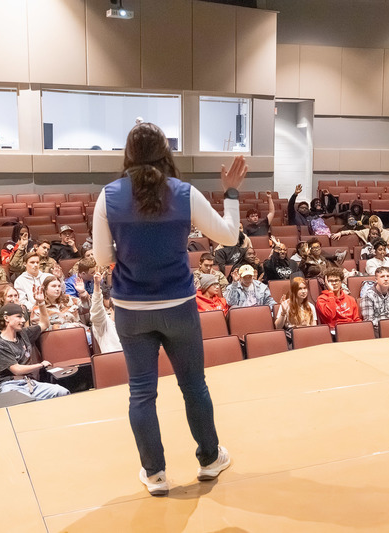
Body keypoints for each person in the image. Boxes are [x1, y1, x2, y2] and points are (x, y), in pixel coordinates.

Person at [93, 122, 243, 496]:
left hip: (131, 310)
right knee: (193, 385)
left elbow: (101, 257)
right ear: (165, 152)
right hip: (179, 306)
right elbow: (229, 236)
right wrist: (232, 193)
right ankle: (210, 459)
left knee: (141, 393)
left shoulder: (108, 196)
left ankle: (155, 474)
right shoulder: (184, 192)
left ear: (128, 153)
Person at [0, 298, 70, 400]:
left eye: (23, 317)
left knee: (61, 392)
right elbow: (17, 370)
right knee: (27, 402)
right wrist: (40, 365)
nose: (23, 320)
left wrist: (41, 303)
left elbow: (45, 324)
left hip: (30, 383)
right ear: (6, 318)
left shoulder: (24, 333)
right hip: (10, 385)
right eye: (19, 317)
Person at [315, 267, 362, 331]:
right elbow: (330, 315)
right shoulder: (321, 300)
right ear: (326, 283)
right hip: (333, 332)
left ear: (341, 282)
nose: (334, 283)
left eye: (336, 280)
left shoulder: (350, 299)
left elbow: (356, 319)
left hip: (351, 330)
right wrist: (331, 293)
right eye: (330, 281)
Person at [90, 271, 122, 353]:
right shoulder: (103, 324)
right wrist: (97, 286)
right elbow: (97, 310)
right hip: (113, 362)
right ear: (111, 309)